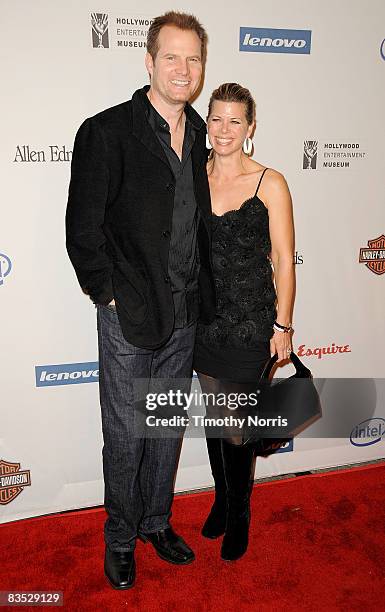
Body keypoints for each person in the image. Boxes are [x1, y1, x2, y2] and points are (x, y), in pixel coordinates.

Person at [66, 11, 215, 589]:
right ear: (149, 61)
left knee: (166, 429)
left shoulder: (204, 135)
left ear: (203, 67)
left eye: (193, 58)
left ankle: (156, 522)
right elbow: (83, 229)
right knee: (127, 435)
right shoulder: (105, 132)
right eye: (171, 57)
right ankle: (121, 538)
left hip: (185, 315)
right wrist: (107, 296)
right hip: (130, 314)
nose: (183, 69)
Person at [193, 83, 295, 561]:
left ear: (250, 127)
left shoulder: (269, 182)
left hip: (252, 325)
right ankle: (221, 498)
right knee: (217, 422)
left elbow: (284, 260)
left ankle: (239, 514)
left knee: (235, 427)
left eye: (236, 120)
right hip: (203, 323)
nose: (224, 129)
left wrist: (284, 326)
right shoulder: (192, 175)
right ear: (206, 122)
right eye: (216, 119)